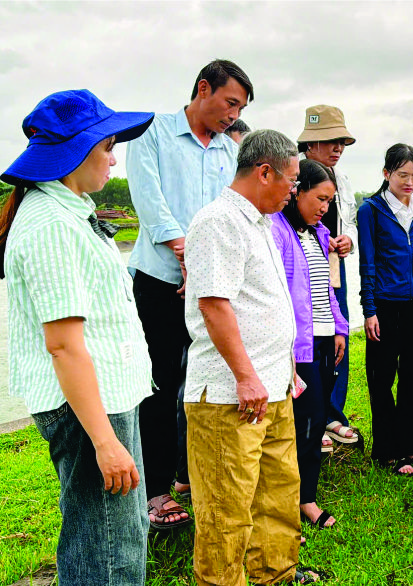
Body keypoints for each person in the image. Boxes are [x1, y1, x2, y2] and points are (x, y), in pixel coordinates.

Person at [0, 89, 154, 586]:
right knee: (106, 550)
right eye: (107, 146)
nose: (113, 158)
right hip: (88, 408)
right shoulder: (49, 224)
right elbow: (63, 345)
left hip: (102, 400)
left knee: (120, 536)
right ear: (74, 151)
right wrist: (105, 442)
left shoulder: (70, 212)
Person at [183, 129, 322, 585]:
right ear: (264, 172)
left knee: (278, 493)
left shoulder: (261, 223)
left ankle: (276, 574)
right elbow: (214, 304)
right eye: (291, 181)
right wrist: (245, 377)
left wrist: (283, 370)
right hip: (230, 397)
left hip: (273, 387)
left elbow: (261, 303)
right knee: (226, 507)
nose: (294, 191)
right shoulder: (217, 221)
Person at [126, 59, 254, 528]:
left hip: (208, 288)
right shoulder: (151, 133)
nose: (231, 115)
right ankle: (156, 489)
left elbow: (230, 210)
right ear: (204, 88)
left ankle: (191, 475)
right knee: (158, 384)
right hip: (161, 280)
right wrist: (185, 252)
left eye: (239, 108)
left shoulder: (227, 151)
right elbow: (150, 201)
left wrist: (205, 265)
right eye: (230, 103)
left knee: (205, 382)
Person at [272, 159, 348, 530]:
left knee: (316, 421)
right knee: (304, 423)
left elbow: (326, 291)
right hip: (296, 346)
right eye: (319, 198)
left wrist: (340, 328)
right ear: (296, 191)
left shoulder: (318, 234)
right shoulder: (277, 230)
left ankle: (305, 495)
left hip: (323, 340)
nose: (324, 208)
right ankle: (299, 501)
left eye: (330, 202)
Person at [357, 143, 413, 475]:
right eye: (403, 175)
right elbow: (368, 261)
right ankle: (387, 449)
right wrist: (369, 309)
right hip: (386, 306)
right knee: (382, 378)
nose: (410, 182)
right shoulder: (371, 210)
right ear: (386, 173)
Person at [297, 105, 359, 449]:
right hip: (303, 269)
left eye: (342, 143)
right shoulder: (298, 174)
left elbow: (347, 222)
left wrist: (347, 239)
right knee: (310, 340)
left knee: (340, 335)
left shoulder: (344, 182)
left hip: (335, 265)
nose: (338, 148)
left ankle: (334, 414)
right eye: (332, 141)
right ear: (311, 143)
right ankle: (312, 415)